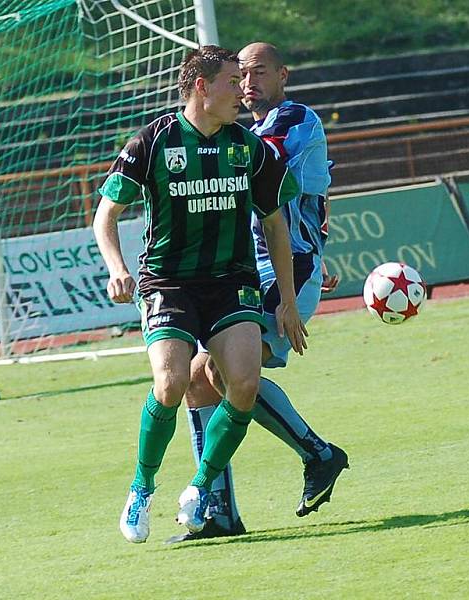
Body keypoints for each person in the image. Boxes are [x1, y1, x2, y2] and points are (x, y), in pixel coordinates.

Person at [93, 45, 307, 544]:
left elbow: (276, 224)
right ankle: (141, 489)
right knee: (169, 385)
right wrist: (118, 269)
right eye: (233, 82)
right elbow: (106, 215)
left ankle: (200, 487)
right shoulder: (154, 140)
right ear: (202, 87)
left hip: (232, 281)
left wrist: (288, 300)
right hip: (169, 281)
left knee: (245, 385)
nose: (243, 90)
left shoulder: (249, 147)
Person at [167, 42, 349, 543]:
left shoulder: (293, 119)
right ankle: (220, 511)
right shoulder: (241, 135)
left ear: (283, 75)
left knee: (221, 373)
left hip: (286, 269)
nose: (248, 83)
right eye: (240, 75)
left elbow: (259, 167)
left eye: (259, 73)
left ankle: (317, 453)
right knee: (199, 382)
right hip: (251, 270)